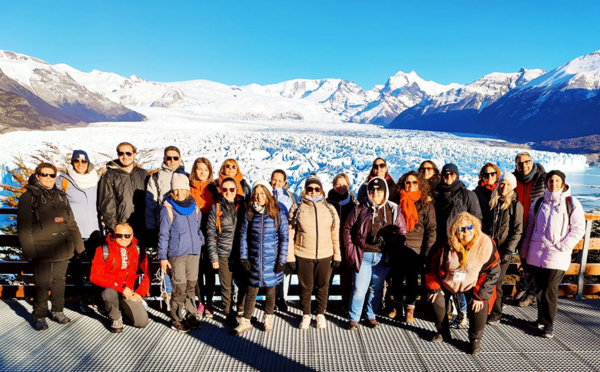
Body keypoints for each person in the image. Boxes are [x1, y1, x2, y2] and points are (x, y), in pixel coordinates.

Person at [17, 162, 84, 331]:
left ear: (56, 177)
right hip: (42, 249)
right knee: (43, 282)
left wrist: (79, 247)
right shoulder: (28, 197)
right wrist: (29, 251)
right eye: (44, 174)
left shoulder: (61, 196)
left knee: (59, 281)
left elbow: (71, 223)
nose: (48, 178)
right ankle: (39, 314)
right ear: (37, 176)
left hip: (62, 246)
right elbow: (23, 227)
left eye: (52, 175)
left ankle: (57, 311)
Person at [520, 170, 585, 338]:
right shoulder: (539, 201)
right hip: (537, 252)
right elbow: (529, 227)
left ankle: (548, 325)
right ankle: (540, 321)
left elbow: (578, 229)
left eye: (557, 181)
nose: (553, 184)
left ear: (562, 183)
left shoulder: (572, 203)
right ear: (547, 183)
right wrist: (525, 250)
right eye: (550, 181)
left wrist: (563, 246)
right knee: (540, 289)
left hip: (557, 254)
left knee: (549, 288)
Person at [426, 212, 500, 355]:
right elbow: (431, 264)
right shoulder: (444, 243)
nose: (466, 232)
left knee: (480, 305)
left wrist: (480, 294)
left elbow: (493, 271)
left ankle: (475, 340)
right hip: (447, 281)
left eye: (469, 227)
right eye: (460, 229)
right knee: (436, 299)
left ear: (475, 227)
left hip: (472, 284)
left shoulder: (485, 243)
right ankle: (443, 332)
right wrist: (434, 287)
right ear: (454, 232)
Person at [344, 177, 408, 330]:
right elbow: (347, 229)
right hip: (363, 254)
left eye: (379, 190)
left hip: (382, 256)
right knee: (359, 288)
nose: (376, 193)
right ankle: (354, 318)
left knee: (376, 288)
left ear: (385, 191)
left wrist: (395, 248)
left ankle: (371, 315)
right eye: (373, 190)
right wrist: (350, 250)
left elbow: (402, 231)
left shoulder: (392, 209)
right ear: (368, 192)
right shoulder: (360, 208)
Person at [287, 174, 341, 330]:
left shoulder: (330, 209)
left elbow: (334, 234)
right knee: (305, 286)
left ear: (321, 191)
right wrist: (290, 257)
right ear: (305, 190)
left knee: (323, 285)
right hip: (303, 253)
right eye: (310, 188)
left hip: (325, 253)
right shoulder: (297, 208)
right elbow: (290, 233)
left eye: (317, 188)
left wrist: (337, 254)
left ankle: (320, 314)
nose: (313, 191)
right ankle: (306, 314)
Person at [235, 181, 289, 334]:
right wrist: (244, 257)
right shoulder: (250, 213)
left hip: (272, 260)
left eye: (262, 193)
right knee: (251, 290)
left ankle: (268, 317)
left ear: (268, 194)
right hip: (254, 259)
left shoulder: (278, 213)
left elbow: (284, 238)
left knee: (271, 290)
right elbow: (243, 236)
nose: (259, 197)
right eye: (256, 194)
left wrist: (281, 260)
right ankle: (246, 320)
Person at [387, 171, 436, 323]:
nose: (411, 186)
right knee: (395, 278)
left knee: (412, 280)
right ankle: (396, 305)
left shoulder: (426, 204)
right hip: (398, 247)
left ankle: (410, 308)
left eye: (415, 183)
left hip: (416, 249)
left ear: (420, 184)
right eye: (408, 183)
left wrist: (427, 253)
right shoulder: (396, 202)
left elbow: (431, 230)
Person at [56, 150, 102, 312]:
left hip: (95, 231)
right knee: (76, 267)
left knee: (97, 266)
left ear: (88, 162)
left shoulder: (96, 179)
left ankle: (98, 298)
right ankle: (82, 298)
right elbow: (55, 204)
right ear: (72, 162)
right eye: (77, 161)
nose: (80, 164)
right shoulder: (63, 180)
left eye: (83, 161)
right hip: (74, 232)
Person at [158, 173, 204, 333]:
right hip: (176, 254)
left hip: (194, 253)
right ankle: (177, 318)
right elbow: (163, 234)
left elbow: (198, 229)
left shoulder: (195, 208)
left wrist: (200, 241)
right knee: (179, 287)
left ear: (187, 190)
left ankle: (191, 314)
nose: (179, 193)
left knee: (191, 286)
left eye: (182, 189)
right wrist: (162, 257)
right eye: (176, 190)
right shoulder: (167, 209)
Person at [90, 223, 150, 333]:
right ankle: (115, 318)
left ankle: (120, 309)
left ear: (132, 236)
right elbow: (95, 276)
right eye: (119, 235)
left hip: (127, 292)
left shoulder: (138, 250)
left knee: (142, 322)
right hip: (110, 289)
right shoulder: (103, 250)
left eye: (127, 235)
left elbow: (147, 274)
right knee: (109, 293)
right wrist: (120, 286)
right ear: (113, 235)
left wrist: (141, 292)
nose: (123, 238)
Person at [206, 177, 247, 324]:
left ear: (236, 190)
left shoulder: (243, 206)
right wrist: (214, 257)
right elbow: (210, 234)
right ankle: (229, 313)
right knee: (226, 286)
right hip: (223, 253)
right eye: (225, 189)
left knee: (243, 283)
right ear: (220, 190)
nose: (228, 192)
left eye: (231, 189)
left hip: (240, 252)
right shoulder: (216, 208)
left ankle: (241, 311)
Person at [485, 173, 524, 325]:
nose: (504, 187)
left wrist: (508, 250)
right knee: (487, 280)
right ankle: (487, 310)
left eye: (508, 184)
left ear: (512, 186)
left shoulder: (515, 205)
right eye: (502, 183)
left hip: (503, 249)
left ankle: (496, 314)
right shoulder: (493, 202)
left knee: (497, 282)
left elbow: (517, 230)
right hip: (490, 248)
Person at [512, 152, 547, 307]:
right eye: (520, 163)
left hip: (537, 227)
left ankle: (531, 292)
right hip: (519, 227)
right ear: (516, 165)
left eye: (526, 162)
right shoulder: (513, 180)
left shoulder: (543, 178)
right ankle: (525, 286)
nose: (523, 166)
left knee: (536, 261)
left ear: (532, 162)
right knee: (525, 260)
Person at [190, 157, 220, 319]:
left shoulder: (214, 189)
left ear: (210, 172)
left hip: (209, 231)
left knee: (209, 268)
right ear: (194, 170)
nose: (202, 172)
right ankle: (200, 301)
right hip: (193, 230)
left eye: (205, 169)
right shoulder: (188, 187)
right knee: (197, 268)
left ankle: (209, 302)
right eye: (199, 169)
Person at [98, 142, 149, 238]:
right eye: (121, 153)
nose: (125, 156)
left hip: (142, 227)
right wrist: (115, 228)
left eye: (128, 153)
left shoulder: (143, 175)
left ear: (134, 154)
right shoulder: (110, 176)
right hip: (121, 229)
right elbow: (106, 204)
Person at [326, 173, 359, 314]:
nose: (341, 187)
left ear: (349, 185)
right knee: (327, 275)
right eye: (337, 184)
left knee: (346, 276)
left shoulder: (353, 205)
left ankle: (346, 303)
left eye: (343, 184)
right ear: (333, 186)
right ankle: (323, 304)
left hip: (347, 245)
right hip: (329, 245)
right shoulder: (327, 203)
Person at [146, 146, 186, 248]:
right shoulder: (156, 177)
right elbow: (151, 203)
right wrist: (151, 227)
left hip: (184, 226)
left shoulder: (187, 176)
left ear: (180, 158)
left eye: (175, 158)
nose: (172, 160)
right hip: (163, 225)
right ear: (164, 159)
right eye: (169, 158)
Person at [434, 163, 482, 243]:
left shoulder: (468, 195)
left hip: (461, 240)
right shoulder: (436, 195)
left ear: (457, 176)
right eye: (446, 175)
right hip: (440, 240)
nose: (449, 177)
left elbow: (477, 219)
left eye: (452, 174)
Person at [270, 169, 297, 312]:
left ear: (285, 182)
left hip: (286, 237)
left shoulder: (291, 197)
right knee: (273, 267)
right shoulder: (266, 194)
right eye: (274, 179)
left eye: (280, 180)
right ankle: (272, 298)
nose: (276, 183)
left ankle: (283, 297)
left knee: (285, 268)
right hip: (269, 237)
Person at [474, 163, 501, 232]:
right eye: (486, 175)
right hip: (482, 230)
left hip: (498, 231)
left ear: (497, 175)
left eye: (492, 174)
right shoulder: (476, 193)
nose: (489, 177)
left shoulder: (502, 191)